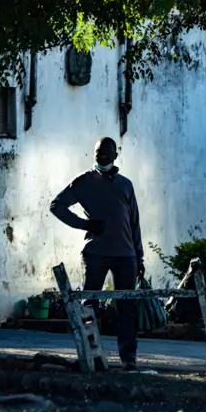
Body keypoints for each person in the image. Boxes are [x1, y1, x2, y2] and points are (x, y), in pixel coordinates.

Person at [50, 137, 144, 371]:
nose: (101, 156)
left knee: (127, 308)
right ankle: (90, 354)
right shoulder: (83, 182)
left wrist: (139, 257)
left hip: (126, 255)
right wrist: (85, 225)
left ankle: (128, 358)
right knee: (89, 305)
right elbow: (56, 206)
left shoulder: (126, 184)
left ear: (115, 155)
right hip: (96, 253)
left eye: (106, 153)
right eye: (97, 152)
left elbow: (134, 223)